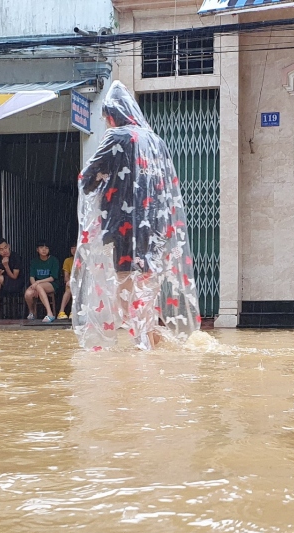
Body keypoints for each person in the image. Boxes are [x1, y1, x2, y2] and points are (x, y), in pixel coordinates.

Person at [74, 81, 201, 349]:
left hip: (123, 228)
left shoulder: (116, 137)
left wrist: (104, 182)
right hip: (154, 228)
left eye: (105, 117)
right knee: (146, 288)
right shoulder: (156, 141)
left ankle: (144, 350)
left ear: (112, 115)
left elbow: (86, 179)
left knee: (125, 289)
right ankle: (153, 344)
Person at [25, 241, 60, 322]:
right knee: (28, 294)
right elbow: (32, 276)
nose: (44, 250)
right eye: (41, 248)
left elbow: (52, 278)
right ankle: (31, 312)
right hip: (37, 284)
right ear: (37, 249)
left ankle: (50, 313)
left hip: (51, 284)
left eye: (46, 248)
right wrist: (34, 285)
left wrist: (37, 283)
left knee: (39, 286)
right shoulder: (34, 261)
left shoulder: (54, 260)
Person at [56, 244, 76, 320]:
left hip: (81, 282)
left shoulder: (84, 260)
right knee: (69, 287)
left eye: (76, 248)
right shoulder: (67, 260)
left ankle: (73, 311)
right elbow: (66, 276)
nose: (74, 250)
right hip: (71, 283)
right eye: (72, 248)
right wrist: (69, 281)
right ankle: (61, 312)